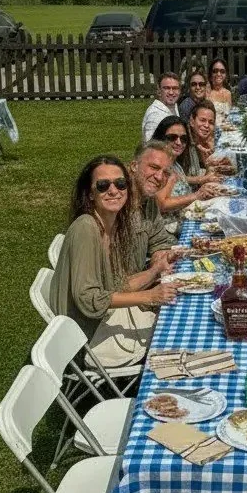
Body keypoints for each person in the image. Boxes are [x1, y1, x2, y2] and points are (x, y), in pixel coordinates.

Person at [50, 155, 178, 368]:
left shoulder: (112, 225)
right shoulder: (86, 229)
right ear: (90, 193)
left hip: (105, 320)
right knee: (169, 335)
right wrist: (149, 296)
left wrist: (156, 270)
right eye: (102, 185)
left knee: (173, 317)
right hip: (89, 336)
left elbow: (117, 285)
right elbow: (89, 299)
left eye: (120, 183)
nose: (113, 190)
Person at [150, 115, 221, 216]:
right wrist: (196, 195)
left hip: (187, 215)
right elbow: (162, 204)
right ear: (161, 138)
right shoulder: (160, 166)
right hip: (171, 228)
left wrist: (205, 176)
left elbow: (180, 178)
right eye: (172, 137)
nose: (179, 142)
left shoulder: (174, 163)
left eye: (183, 138)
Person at [141, 72, 180, 143]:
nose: (171, 92)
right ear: (159, 91)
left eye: (175, 88)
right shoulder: (155, 115)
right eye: (166, 88)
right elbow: (150, 145)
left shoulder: (174, 107)